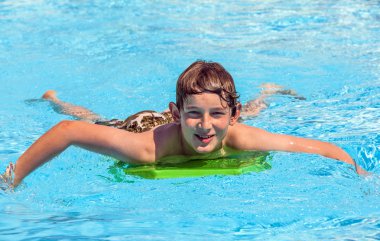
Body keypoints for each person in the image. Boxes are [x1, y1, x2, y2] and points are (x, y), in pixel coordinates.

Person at [0, 60, 367, 189]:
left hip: (210, 117)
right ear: (178, 113)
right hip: (142, 125)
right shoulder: (147, 149)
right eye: (194, 114)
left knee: (255, 110)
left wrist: (359, 172)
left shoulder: (241, 135)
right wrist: (12, 180)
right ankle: (56, 99)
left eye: (218, 115)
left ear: (231, 117)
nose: (205, 126)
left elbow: (323, 149)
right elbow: (68, 134)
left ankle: (265, 93)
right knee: (93, 118)